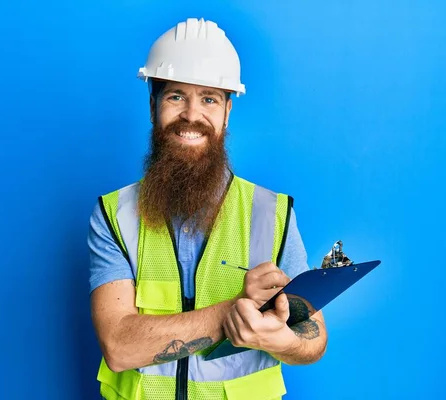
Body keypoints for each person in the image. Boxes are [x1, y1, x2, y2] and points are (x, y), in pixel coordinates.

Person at [88, 17, 328, 400]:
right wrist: (233, 312)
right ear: (153, 107)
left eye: (209, 98)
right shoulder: (115, 215)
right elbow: (119, 348)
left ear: (227, 111)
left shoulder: (272, 212)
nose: (191, 115)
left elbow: (313, 339)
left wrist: (281, 339)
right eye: (176, 96)